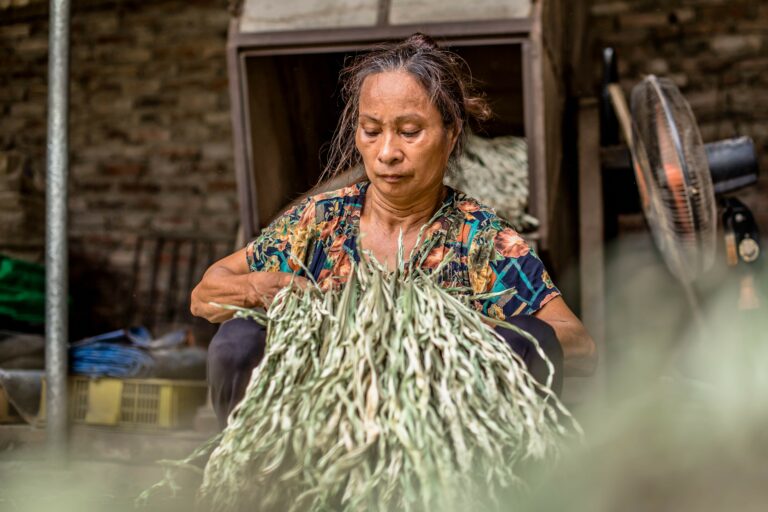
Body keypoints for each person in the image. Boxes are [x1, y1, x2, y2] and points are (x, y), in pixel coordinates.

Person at [191, 33, 597, 428]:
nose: (387, 153)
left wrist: (450, 328)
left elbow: (578, 345)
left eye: (409, 132)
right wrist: (267, 289)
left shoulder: (481, 238)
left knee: (528, 336)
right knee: (239, 337)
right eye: (371, 131)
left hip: (443, 432)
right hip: (321, 429)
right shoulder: (320, 220)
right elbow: (206, 293)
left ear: (451, 133)